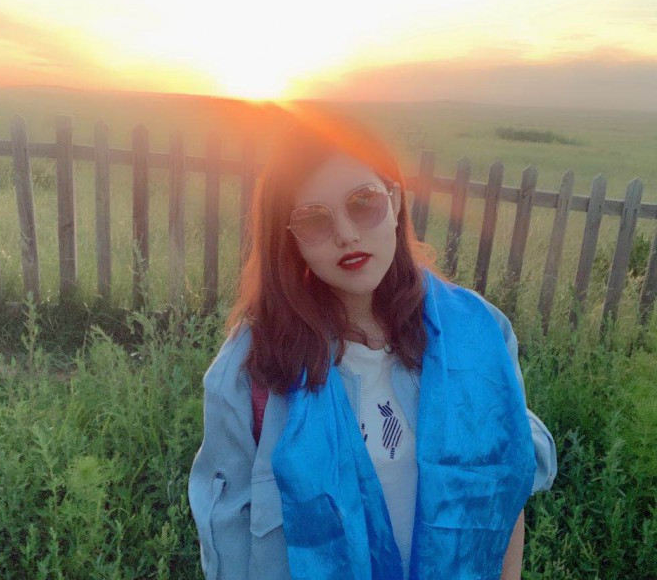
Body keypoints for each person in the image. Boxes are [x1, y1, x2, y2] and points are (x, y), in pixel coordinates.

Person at [188, 109, 557, 580]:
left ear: (396, 201)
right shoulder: (252, 366)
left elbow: (504, 489)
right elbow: (230, 546)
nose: (346, 234)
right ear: (291, 240)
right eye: (313, 219)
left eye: (363, 202)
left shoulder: (478, 335)